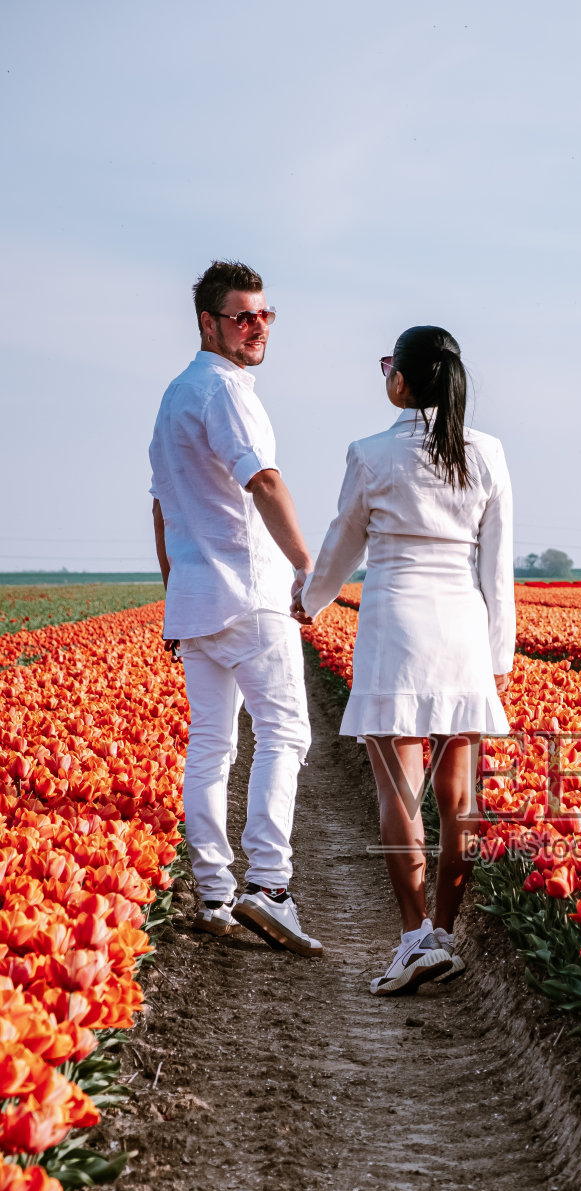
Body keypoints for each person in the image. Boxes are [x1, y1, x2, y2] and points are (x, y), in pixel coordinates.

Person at [298, 325, 514, 993]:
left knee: (400, 792)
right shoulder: (488, 452)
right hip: (462, 633)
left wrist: (310, 600)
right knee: (458, 799)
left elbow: (342, 543)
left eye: (388, 362)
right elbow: (496, 562)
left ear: (402, 380)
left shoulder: (370, 454)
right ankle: (444, 934)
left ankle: (414, 935)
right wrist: (497, 654)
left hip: (395, 631)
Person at [149, 259, 322, 957]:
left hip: (198, 598)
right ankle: (270, 888)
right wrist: (309, 567)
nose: (256, 328)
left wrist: (175, 591)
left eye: (264, 315)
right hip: (251, 593)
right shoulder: (226, 390)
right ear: (208, 323)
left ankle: (215, 892)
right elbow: (265, 480)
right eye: (242, 316)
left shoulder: (173, 396)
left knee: (212, 747)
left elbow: (162, 508)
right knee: (285, 736)